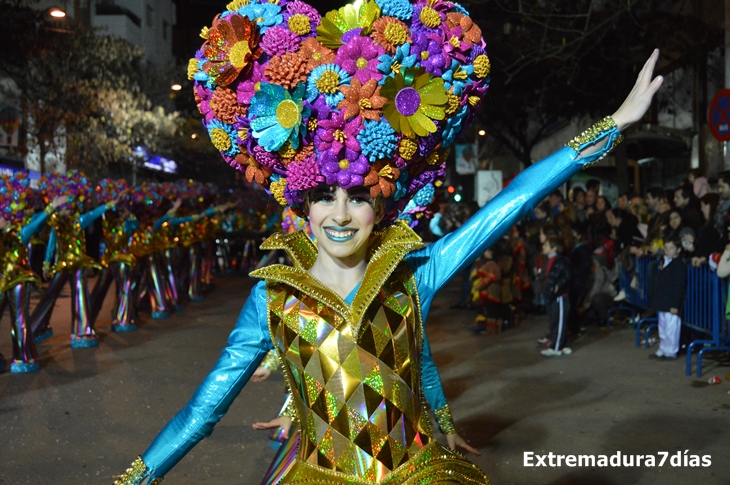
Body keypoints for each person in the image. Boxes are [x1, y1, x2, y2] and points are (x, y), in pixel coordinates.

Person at [111, 0, 663, 480]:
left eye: (359, 197)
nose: (342, 214)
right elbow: (201, 414)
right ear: (302, 207)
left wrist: (613, 123)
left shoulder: (412, 275)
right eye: (325, 196)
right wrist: (134, 479)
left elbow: (511, 203)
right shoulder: (272, 298)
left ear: (382, 205)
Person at [647, 237, 687, 360]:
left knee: (671, 328)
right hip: (664, 302)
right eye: (666, 248)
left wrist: (675, 304)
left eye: (671, 248)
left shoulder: (678, 265)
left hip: (671, 303)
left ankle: (671, 351)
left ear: (678, 250)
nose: (668, 250)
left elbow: (679, 286)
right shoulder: (665, 262)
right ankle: (663, 348)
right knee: (663, 327)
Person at [539, 236, 573, 357]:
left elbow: (567, 276)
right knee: (555, 320)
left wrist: (558, 286)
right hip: (553, 294)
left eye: (546, 245)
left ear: (554, 248)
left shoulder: (560, 261)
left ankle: (557, 347)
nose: (543, 246)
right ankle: (563, 344)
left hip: (560, 296)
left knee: (559, 321)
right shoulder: (548, 260)